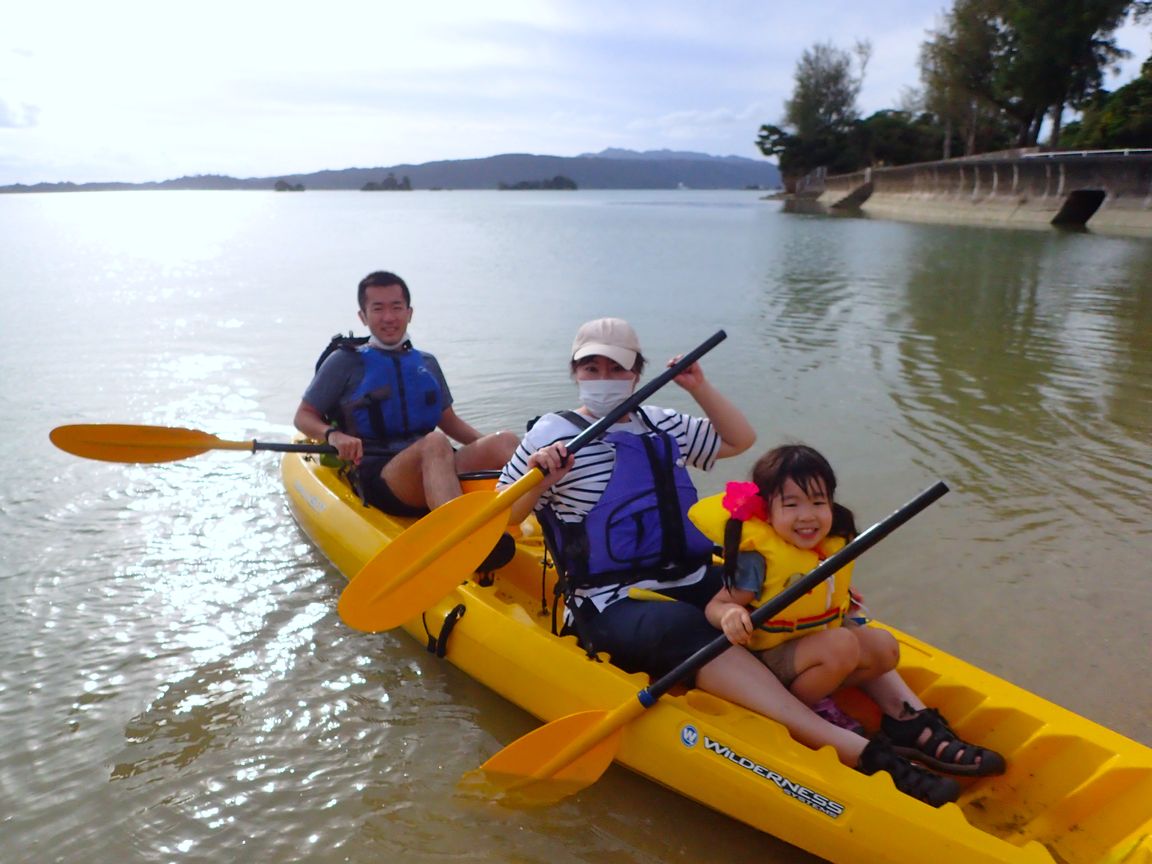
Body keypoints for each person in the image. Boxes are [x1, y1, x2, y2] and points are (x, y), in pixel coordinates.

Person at [498, 318, 961, 807]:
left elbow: (739, 440)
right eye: (592, 365)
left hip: (693, 574)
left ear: (637, 372)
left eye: (616, 365)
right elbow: (504, 515)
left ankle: (907, 715)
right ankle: (852, 747)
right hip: (608, 601)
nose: (604, 374)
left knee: (795, 587)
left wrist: (699, 388)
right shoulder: (554, 435)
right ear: (575, 371)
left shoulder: (659, 422)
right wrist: (540, 477)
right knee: (685, 627)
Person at [690, 443, 1006, 778]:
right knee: (842, 644)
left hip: (817, 647)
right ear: (767, 511)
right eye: (792, 504)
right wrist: (729, 616)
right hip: (774, 660)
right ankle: (813, 710)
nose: (808, 516)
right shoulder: (759, 557)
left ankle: (903, 726)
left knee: (884, 647)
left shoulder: (831, 546)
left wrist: (840, 600)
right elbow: (719, 604)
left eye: (818, 502)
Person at [295, 271, 520, 562]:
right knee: (435, 443)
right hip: (382, 476)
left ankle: (546, 524)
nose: (389, 317)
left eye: (396, 307)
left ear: (409, 313)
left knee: (507, 441)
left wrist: (494, 448)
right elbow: (303, 416)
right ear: (363, 316)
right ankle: (461, 543)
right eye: (378, 308)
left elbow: (448, 420)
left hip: (437, 464)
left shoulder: (426, 363)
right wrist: (333, 435)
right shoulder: (344, 362)